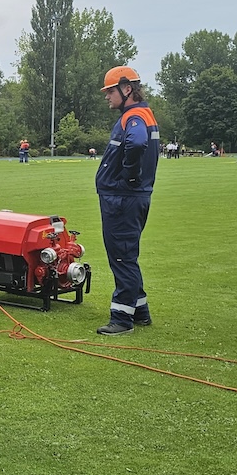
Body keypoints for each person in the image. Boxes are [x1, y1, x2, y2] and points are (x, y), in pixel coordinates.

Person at [95, 66, 160, 335]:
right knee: (126, 255)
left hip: (123, 199)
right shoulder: (143, 114)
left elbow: (136, 143)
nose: (107, 96)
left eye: (110, 91)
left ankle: (122, 319)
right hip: (129, 197)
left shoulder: (133, 117)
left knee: (122, 257)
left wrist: (130, 176)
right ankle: (140, 310)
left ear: (127, 89)